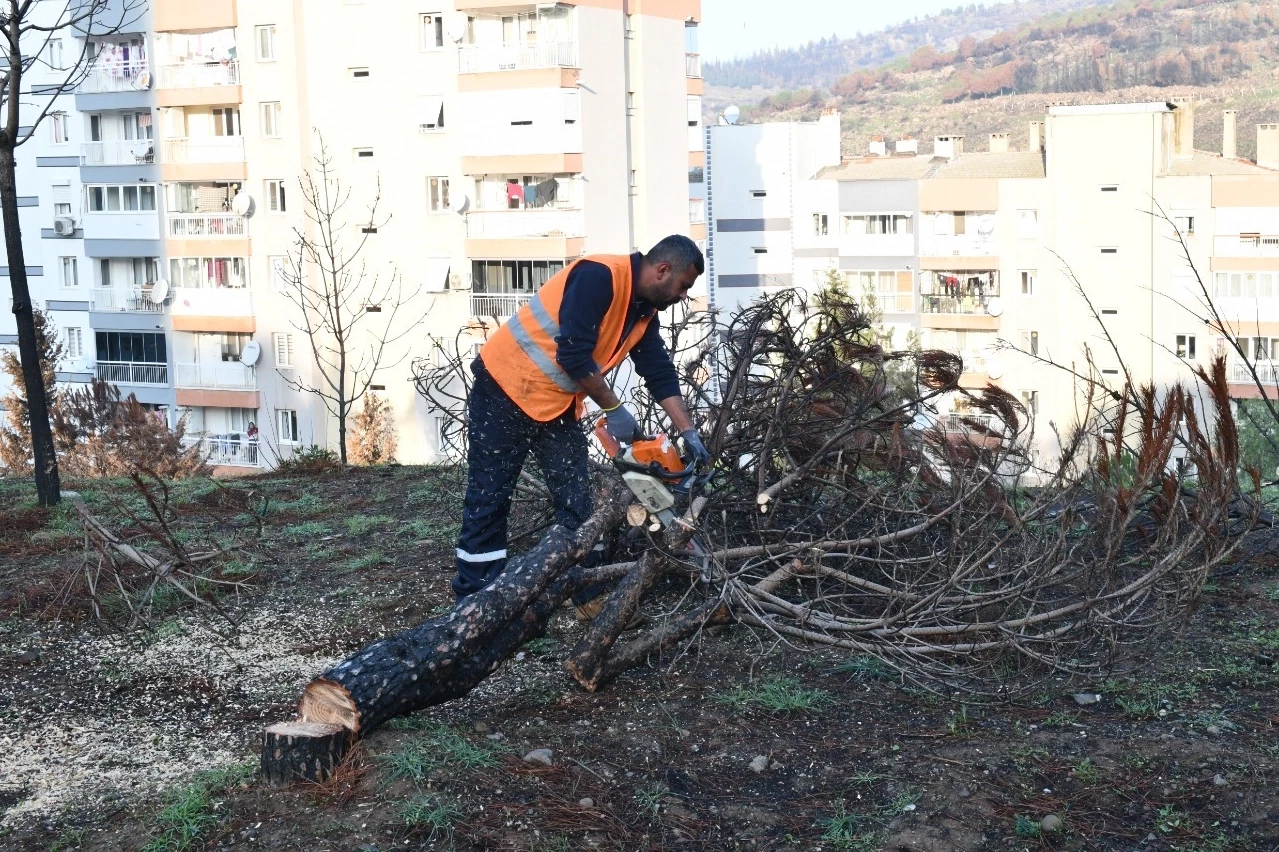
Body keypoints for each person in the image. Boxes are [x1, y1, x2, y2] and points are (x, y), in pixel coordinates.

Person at [452, 235, 710, 616]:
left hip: (555, 403)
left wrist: (688, 431)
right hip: (506, 387)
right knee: (489, 498)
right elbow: (572, 352)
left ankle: (587, 595)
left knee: (578, 502)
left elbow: (659, 373)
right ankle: (474, 605)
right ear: (663, 270)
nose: (683, 295)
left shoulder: (642, 313)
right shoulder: (599, 276)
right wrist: (616, 409)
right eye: (684, 286)